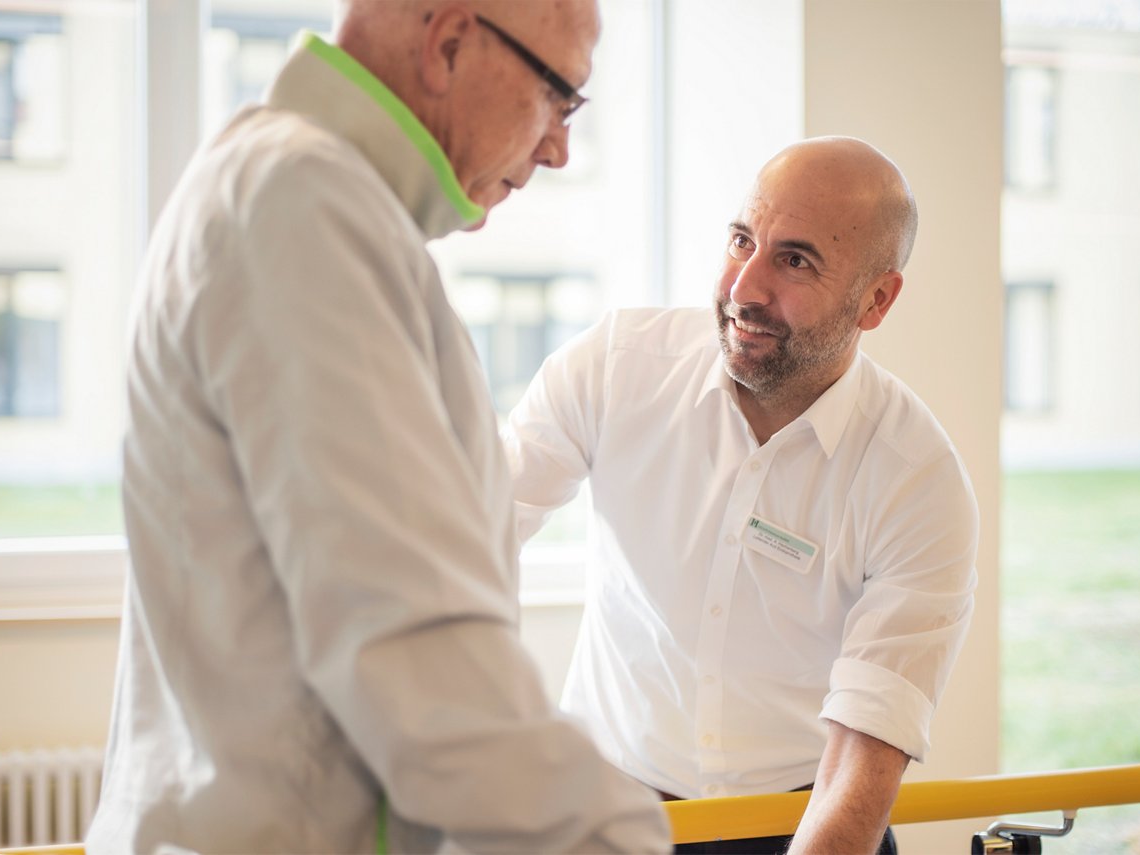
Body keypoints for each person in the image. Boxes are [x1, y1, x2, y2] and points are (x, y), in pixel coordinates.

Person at [86, 1, 672, 852]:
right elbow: (416, 653)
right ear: (448, 42)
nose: (558, 148)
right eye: (560, 97)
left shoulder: (308, 197)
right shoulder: (304, 200)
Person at [504, 136, 979, 855]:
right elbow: (468, 532)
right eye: (740, 240)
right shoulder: (617, 366)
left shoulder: (917, 478)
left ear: (875, 298)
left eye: (795, 260)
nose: (744, 288)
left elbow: (864, 756)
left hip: (806, 822)